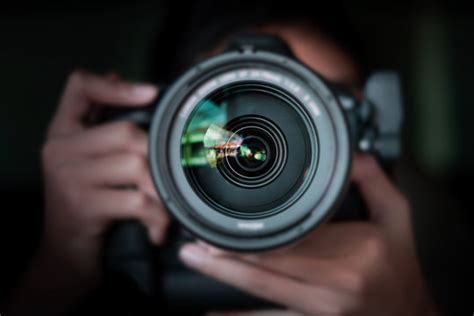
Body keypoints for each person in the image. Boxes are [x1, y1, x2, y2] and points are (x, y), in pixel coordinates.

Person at [4, 2, 440, 315]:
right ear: (159, 136)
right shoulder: (118, 272)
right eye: (223, 120)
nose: (280, 155)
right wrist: (57, 276)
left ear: (372, 135)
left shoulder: (429, 264)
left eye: (322, 113)